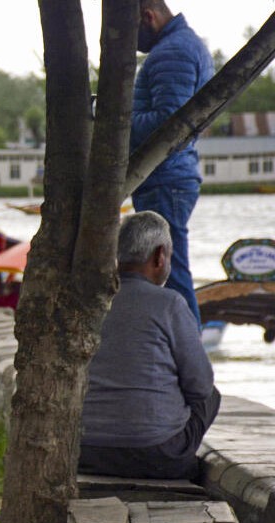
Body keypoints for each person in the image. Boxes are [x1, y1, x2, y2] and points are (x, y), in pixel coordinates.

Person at [79, 211, 219, 480]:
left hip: (86, 451)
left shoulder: (88, 303)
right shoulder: (170, 304)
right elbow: (200, 386)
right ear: (159, 256)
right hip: (154, 455)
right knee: (211, 395)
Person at [131, 0, 214, 324]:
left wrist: (118, 120)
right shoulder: (182, 45)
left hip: (165, 179)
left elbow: (169, 125)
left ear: (148, 17)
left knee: (172, 277)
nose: (132, 43)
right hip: (169, 178)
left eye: (132, 31)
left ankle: (192, 367)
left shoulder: (171, 53)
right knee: (166, 275)